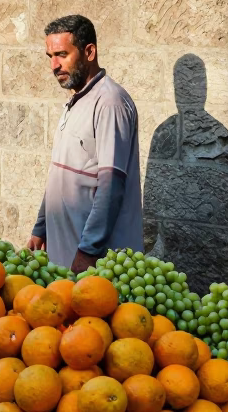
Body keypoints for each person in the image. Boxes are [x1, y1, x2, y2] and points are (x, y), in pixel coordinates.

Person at [27, 15, 143, 273]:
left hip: (96, 267)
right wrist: (41, 227)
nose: (54, 65)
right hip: (67, 260)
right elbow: (58, 174)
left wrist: (88, 252)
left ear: (89, 51)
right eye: (50, 56)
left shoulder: (109, 103)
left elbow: (111, 186)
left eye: (62, 54)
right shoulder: (76, 101)